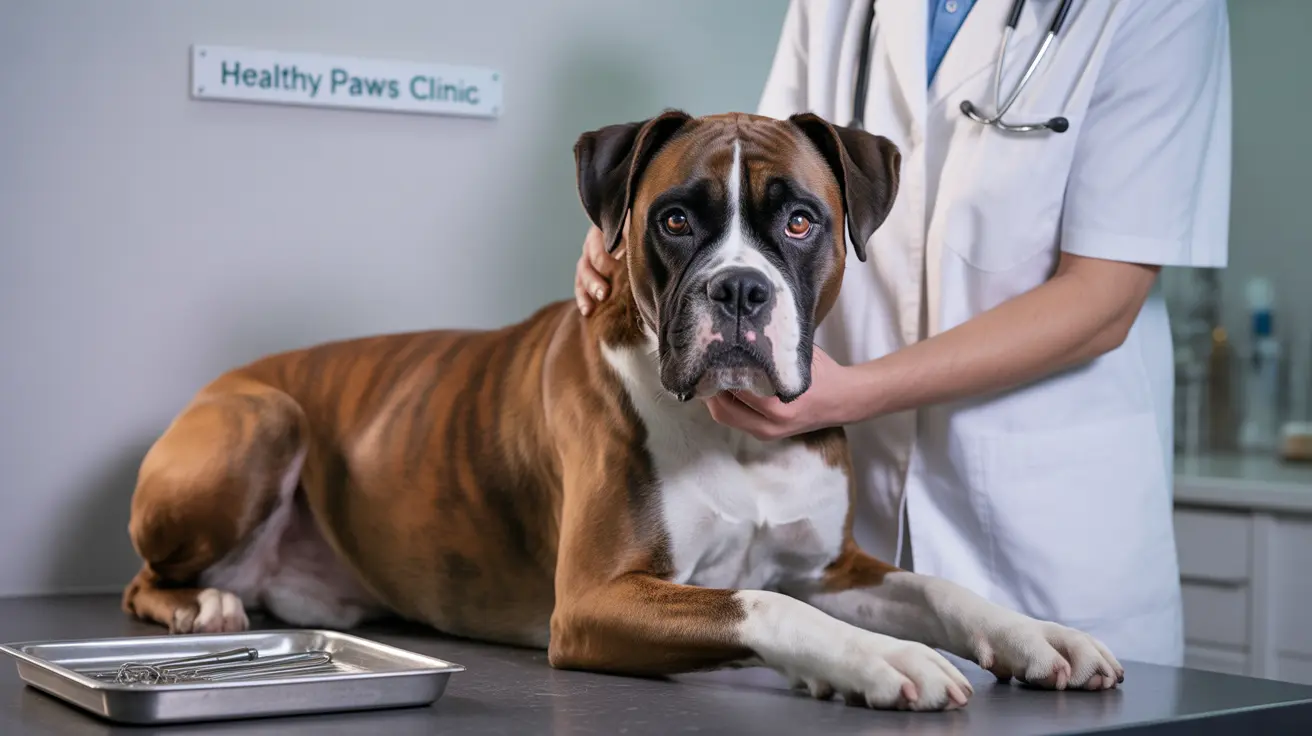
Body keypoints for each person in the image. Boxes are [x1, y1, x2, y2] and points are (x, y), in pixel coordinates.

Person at [573, 0, 1230, 667]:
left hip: (1051, 522)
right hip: (853, 538)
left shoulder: (1161, 9)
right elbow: (760, 168)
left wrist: (854, 395)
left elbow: (1105, 298)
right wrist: (643, 219)